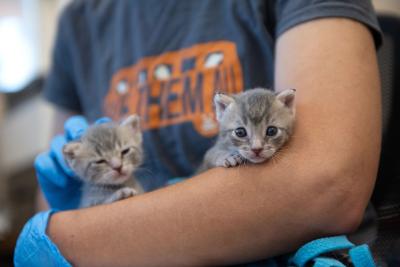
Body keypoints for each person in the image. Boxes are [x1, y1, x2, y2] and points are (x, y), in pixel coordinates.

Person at [15, 0, 383, 266]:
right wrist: (77, 196)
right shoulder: (79, 21)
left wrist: (73, 236)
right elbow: (52, 204)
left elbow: (327, 183)